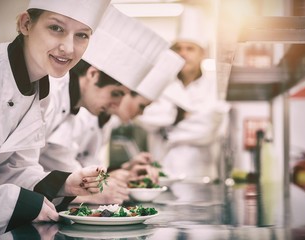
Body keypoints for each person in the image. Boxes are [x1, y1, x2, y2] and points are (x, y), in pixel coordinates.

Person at [0, 0, 111, 238]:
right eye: (56, 28)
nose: (68, 48)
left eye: (82, 35)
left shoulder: (40, 92)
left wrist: (64, 183)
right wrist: (20, 202)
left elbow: (12, 168)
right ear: (25, 24)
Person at [38, 5, 169, 205]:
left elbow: (72, 167)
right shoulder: (51, 95)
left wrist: (120, 174)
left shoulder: (74, 105)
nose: (117, 105)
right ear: (92, 74)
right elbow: (37, 168)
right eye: (116, 94)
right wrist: (95, 190)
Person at [137, 6, 230, 181]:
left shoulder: (214, 87)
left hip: (201, 176)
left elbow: (209, 129)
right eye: (179, 48)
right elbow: (144, 117)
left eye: (190, 48)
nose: (183, 53)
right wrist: (182, 115)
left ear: (202, 53)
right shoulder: (160, 83)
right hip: (162, 174)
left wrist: (167, 130)